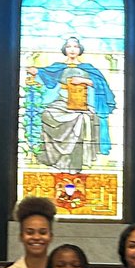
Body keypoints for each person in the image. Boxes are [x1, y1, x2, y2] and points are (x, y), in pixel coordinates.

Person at [26, 36, 117, 172]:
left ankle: (75, 163)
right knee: (47, 113)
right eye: (69, 47)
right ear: (64, 49)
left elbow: (101, 85)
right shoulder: (58, 67)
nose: (72, 49)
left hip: (82, 105)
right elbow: (45, 76)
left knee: (81, 118)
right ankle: (52, 159)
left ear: (80, 49)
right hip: (61, 103)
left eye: (75, 46)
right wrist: (36, 72)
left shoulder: (89, 69)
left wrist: (83, 80)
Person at [4, 195, 57, 268]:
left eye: (42, 232)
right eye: (30, 232)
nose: (36, 237)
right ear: (21, 236)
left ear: (51, 236)